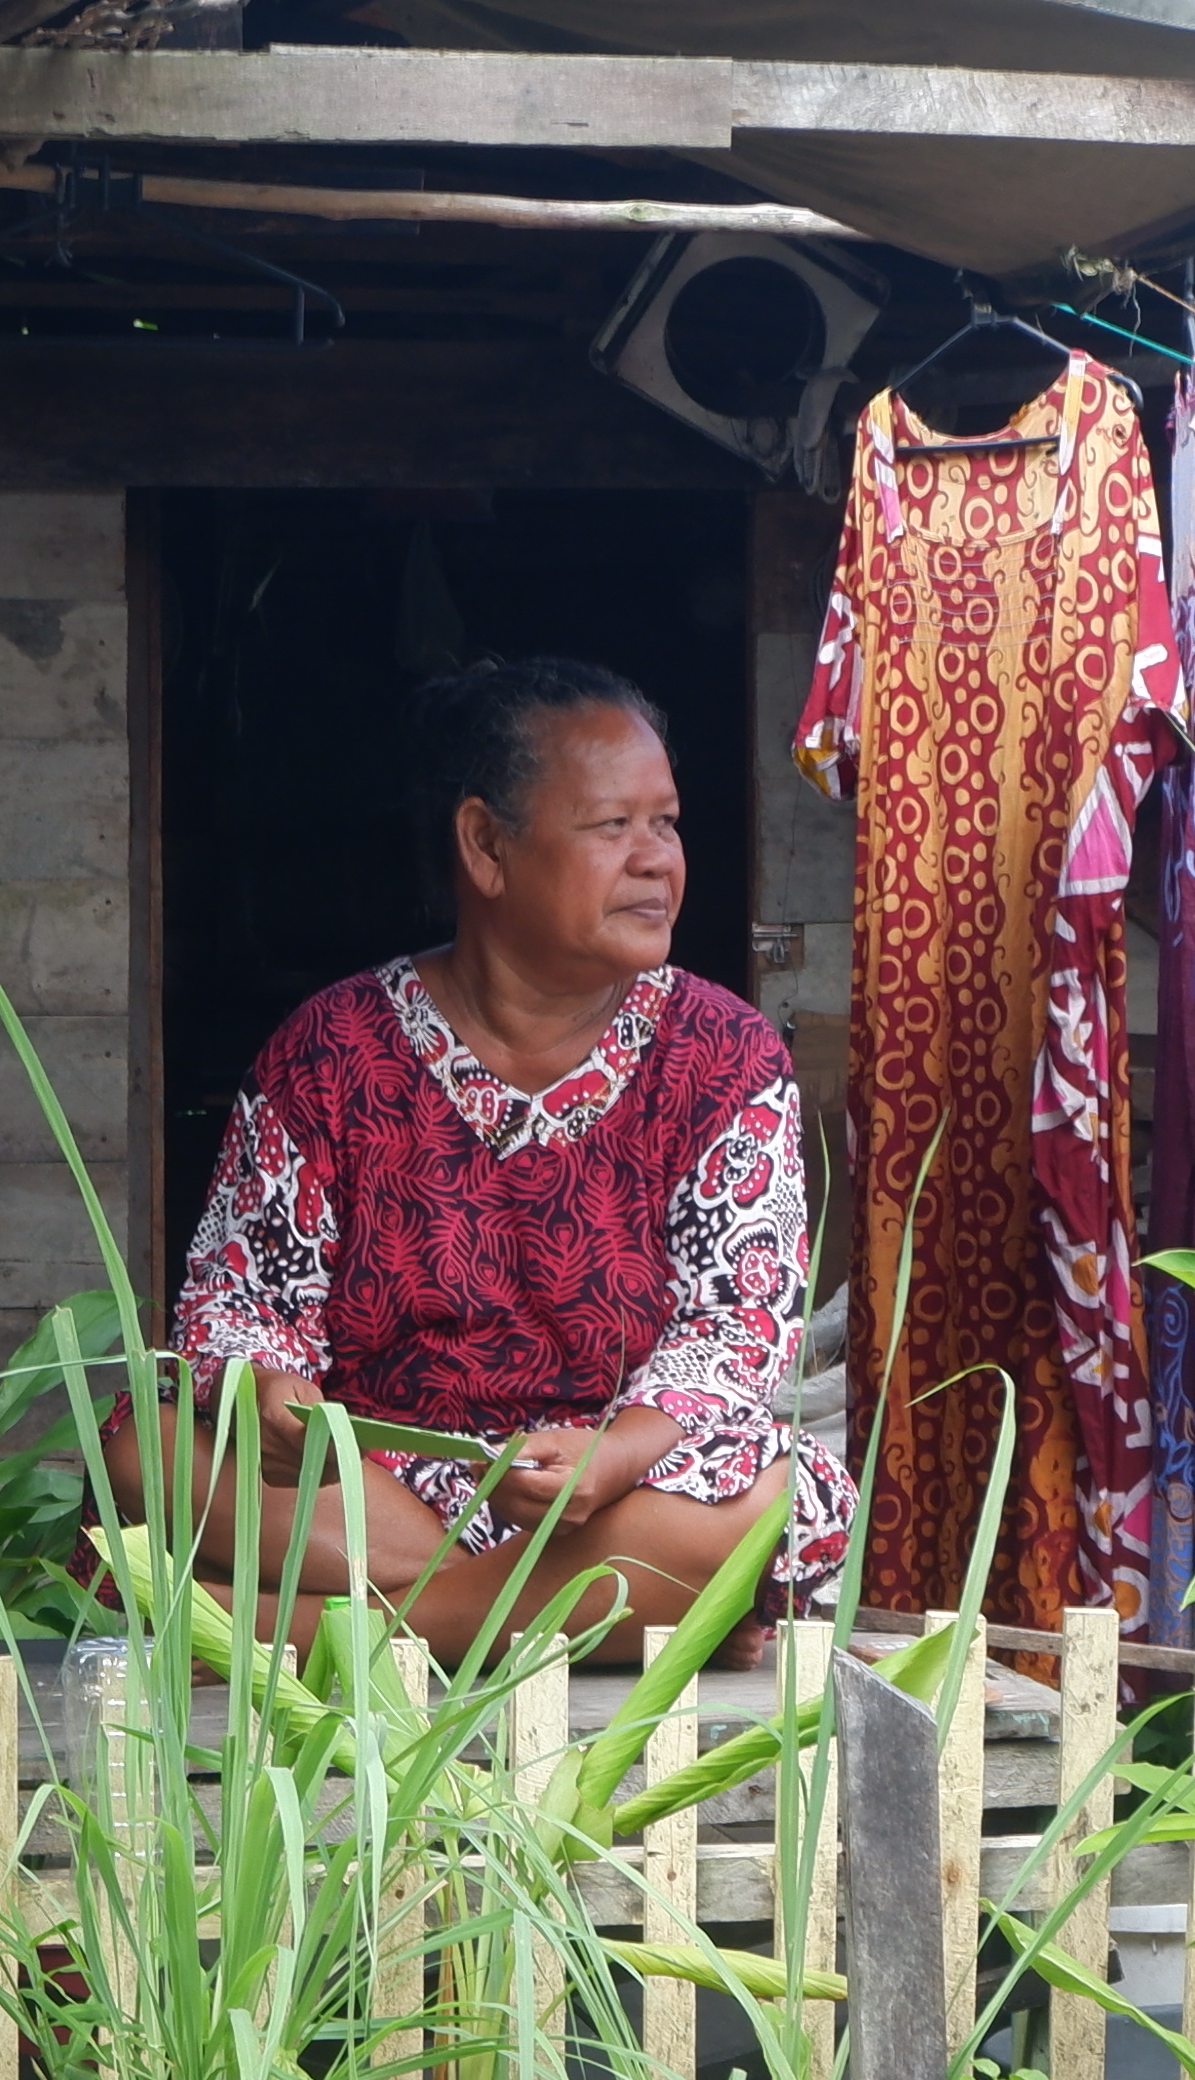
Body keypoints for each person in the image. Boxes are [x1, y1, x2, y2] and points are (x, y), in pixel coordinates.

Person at [156, 656, 852, 1655]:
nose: (657, 858)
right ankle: (590, 1617)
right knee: (149, 1449)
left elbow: (738, 1326)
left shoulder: (725, 1055)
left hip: (611, 1491)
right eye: (614, 826)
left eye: (667, 822)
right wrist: (267, 1390)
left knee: (775, 1492)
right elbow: (237, 1304)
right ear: (485, 846)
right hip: (377, 1491)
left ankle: (316, 1629)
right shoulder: (331, 1050)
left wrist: (614, 1455)